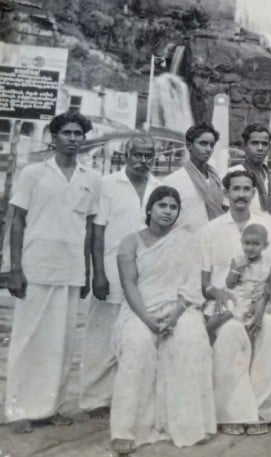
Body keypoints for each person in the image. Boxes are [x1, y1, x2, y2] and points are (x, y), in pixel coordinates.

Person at [5, 111, 102, 433]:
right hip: (36, 267)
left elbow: (89, 228)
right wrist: (14, 268)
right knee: (28, 338)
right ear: (55, 137)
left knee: (61, 344)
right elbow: (16, 220)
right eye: (68, 133)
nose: (74, 139)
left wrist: (87, 272)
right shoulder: (34, 173)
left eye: (79, 134)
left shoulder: (91, 178)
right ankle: (19, 409)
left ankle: (50, 407)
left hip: (71, 268)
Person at [110, 186, 215, 454]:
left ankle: (188, 424)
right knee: (137, 345)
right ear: (150, 208)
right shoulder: (130, 241)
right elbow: (129, 285)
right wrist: (147, 319)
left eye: (173, 207)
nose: (167, 212)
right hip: (140, 309)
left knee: (190, 340)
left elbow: (192, 285)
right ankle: (128, 429)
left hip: (179, 307)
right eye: (162, 205)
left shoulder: (187, 241)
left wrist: (176, 313)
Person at [197, 169, 271, 435]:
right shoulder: (210, 230)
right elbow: (204, 284)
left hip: (260, 299)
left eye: (246, 189)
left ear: (253, 193)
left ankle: (260, 411)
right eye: (235, 189)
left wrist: (267, 304)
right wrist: (220, 296)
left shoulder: (268, 226)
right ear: (226, 194)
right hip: (223, 301)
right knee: (230, 332)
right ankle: (230, 413)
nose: (240, 194)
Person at [82, 135, 160, 419]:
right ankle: (94, 400)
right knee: (101, 336)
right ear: (126, 155)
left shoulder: (158, 187)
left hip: (145, 275)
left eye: (148, 156)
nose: (143, 161)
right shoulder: (108, 185)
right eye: (138, 155)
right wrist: (98, 273)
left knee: (135, 336)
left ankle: (127, 397)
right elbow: (97, 231)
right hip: (111, 272)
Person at [162, 123, 226, 233]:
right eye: (203, 144)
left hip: (215, 238)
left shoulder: (219, 179)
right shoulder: (173, 181)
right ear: (189, 145)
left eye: (211, 145)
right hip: (185, 241)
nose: (208, 149)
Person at [227, 123, 271, 216]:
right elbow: (225, 212)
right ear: (244, 146)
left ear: (269, 148)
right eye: (254, 143)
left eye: (264, 144)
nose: (260, 148)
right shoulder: (233, 174)